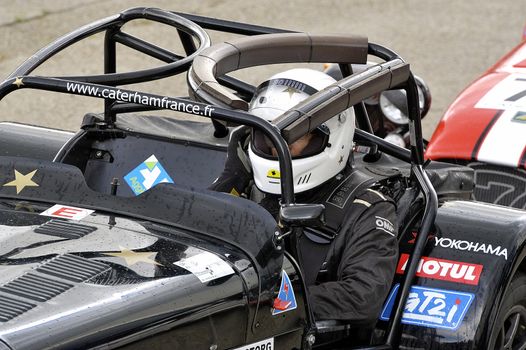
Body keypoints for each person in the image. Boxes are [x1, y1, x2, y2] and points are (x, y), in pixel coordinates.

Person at [210, 68, 398, 327]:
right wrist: (229, 182)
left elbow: (361, 298)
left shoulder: (367, 208)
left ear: (332, 138)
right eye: (268, 135)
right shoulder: (249, 186)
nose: (277, 148)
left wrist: (267, 301)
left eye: (293, 136)